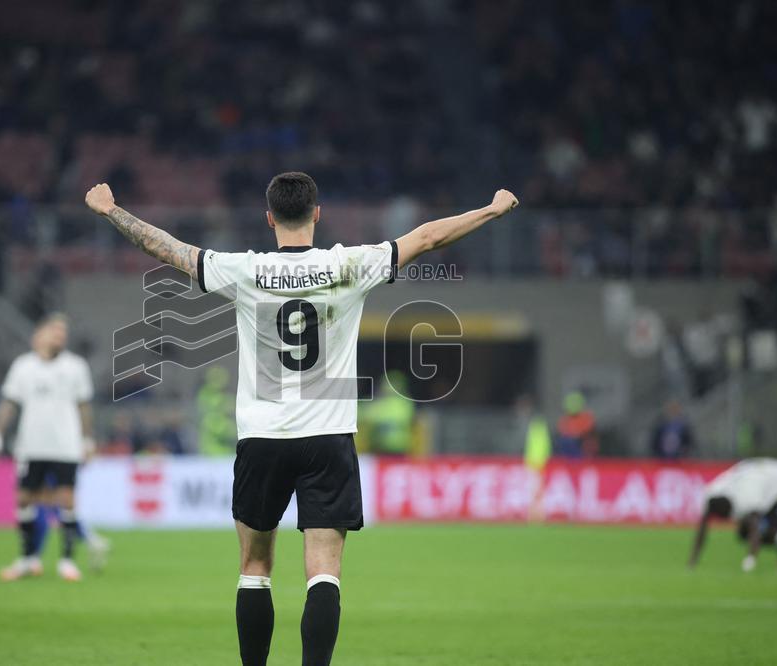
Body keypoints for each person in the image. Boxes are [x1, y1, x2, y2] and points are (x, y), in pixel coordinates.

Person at [86, 172, 519, 666]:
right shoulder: (349, 265)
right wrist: (491, 209)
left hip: (263, 437)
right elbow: (427, 236)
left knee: (254, 567)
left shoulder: (244, 270)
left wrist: (110, 210)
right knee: (324, 572)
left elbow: (168, 249)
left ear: (269, 217)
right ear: (317, 214)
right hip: (328, 437)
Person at [0, 313, 96, 582]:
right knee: (24, 499)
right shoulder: (23, 367)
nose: (60, 336)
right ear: (40, 335)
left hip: (66, 445)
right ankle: (28, 558)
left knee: (67, 500)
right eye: (55, 331)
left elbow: (83, 406)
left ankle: (67, 562)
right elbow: (9, 403)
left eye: (63, 332)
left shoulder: (76, 366)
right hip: (31, 445)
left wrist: (87, 439)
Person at [687, 458, 777, 571]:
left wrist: (750, 561)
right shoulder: (712, 492)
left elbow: (755, 530)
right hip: (758, 474)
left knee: (770, 526)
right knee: (743, 533)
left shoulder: (746, 499)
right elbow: (703, 528)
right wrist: (693, 560)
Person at [554, 391, 598, 458]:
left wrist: (576, 435)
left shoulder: (586, 418)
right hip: (568, 450)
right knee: (564, 441)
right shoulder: (564, 420)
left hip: (582, 448)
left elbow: (587, 433)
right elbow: (562, 433)